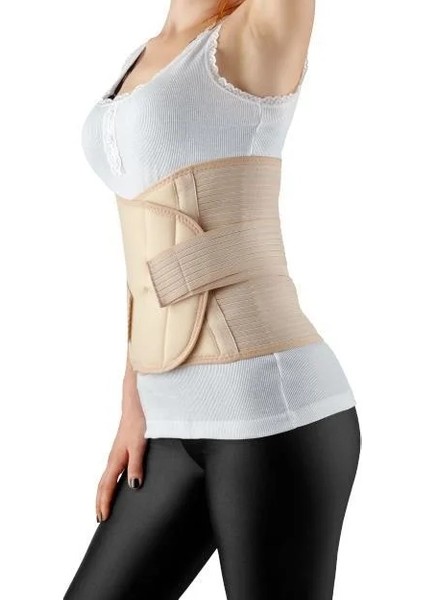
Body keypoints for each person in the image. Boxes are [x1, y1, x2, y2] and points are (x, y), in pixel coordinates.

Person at [64, 1, 361, 598]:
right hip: (168, 422)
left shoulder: (259, 30)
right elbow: (150, 254)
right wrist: (134, 401)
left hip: (271, 410)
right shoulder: (147, 51)